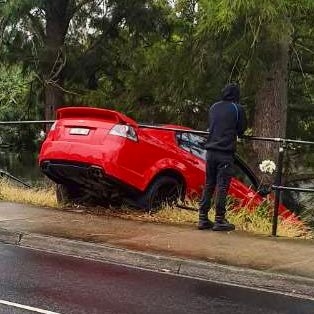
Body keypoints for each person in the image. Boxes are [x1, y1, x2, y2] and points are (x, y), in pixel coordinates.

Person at [198, 83, 247, 231]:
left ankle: (203, 218)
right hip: (225, 153)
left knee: (209, 184)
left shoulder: (214, 107)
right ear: (236, 95)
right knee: (222, 186)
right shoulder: (237, 109)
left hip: (210, 151)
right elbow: (241, 129)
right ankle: (219, 219)